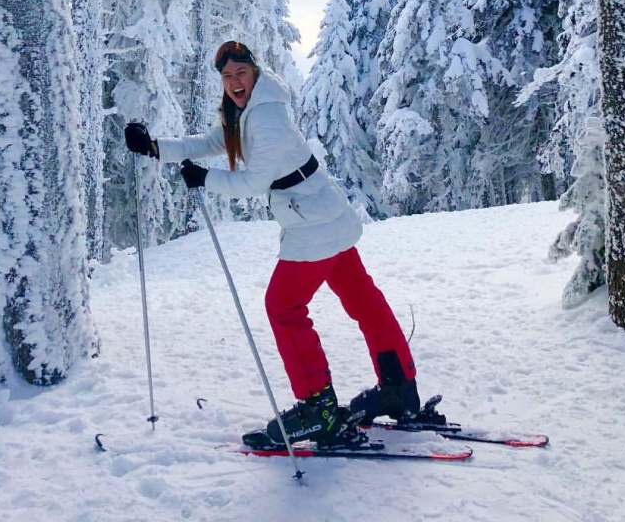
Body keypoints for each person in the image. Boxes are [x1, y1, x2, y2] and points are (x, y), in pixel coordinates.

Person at [124, 39, 420, 447]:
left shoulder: (265, 117)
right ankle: (399, 386)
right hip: (321, 211)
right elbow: (212, 143)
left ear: (255, 72)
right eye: (227, 76)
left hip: (311, 222)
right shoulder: (248, 110)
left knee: (283, 306)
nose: (234, 82)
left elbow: (252, 182)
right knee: (362, 297)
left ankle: (319, 410)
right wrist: (158, 148)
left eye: (240, 73)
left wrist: (205, 179)